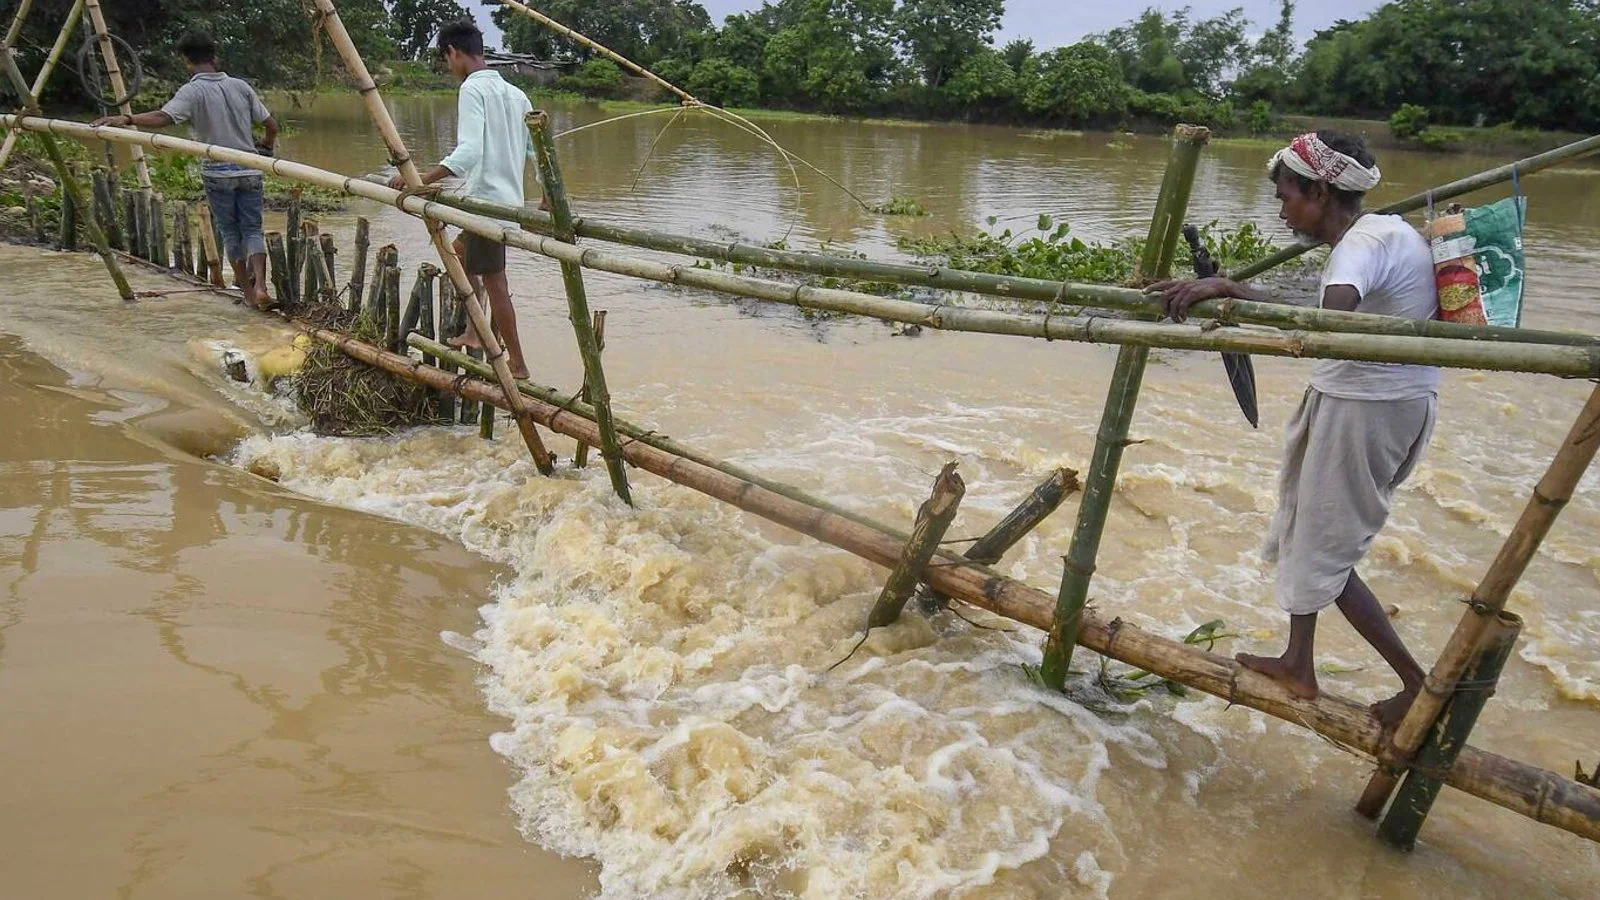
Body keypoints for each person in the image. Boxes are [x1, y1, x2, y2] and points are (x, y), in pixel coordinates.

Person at [1151, 131, 1438, 726]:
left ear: (1321, 190)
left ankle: (1418, 684)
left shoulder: (1365, 242)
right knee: (1310, 533)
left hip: (1368, 407)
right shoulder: (1379, 235)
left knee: (1325, 549)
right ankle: (1299, 662)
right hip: (1369, 399)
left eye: (1287, 197)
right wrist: (1234, 287)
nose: (1283, 212)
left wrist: (1230, 288)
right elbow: (1333, 303)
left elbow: (1325, 319)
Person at [388, 19, 533, 379]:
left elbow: (468, 152)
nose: (449, 68)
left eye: (447, 60)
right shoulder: (516, 95)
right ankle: (474, 331)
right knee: (460, 255)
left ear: (454, 52)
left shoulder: (472, 89)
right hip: (506, 201)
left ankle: (517, 363)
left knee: (496, 282)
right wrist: (544, 198)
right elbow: (536, 150)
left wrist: (420, 180)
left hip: (486, 205)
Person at [93, 31, 278, 309]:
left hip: (217, 172)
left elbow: (164, 117)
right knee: (252, 229)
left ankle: (249, 296)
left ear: (186, 61)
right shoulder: (241, 87)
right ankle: (262, 286)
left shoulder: (192, 90)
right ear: (214, 58)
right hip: (250, 168)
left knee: (230, 232)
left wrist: (127, 118)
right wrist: (266, 145)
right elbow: (271, 125)